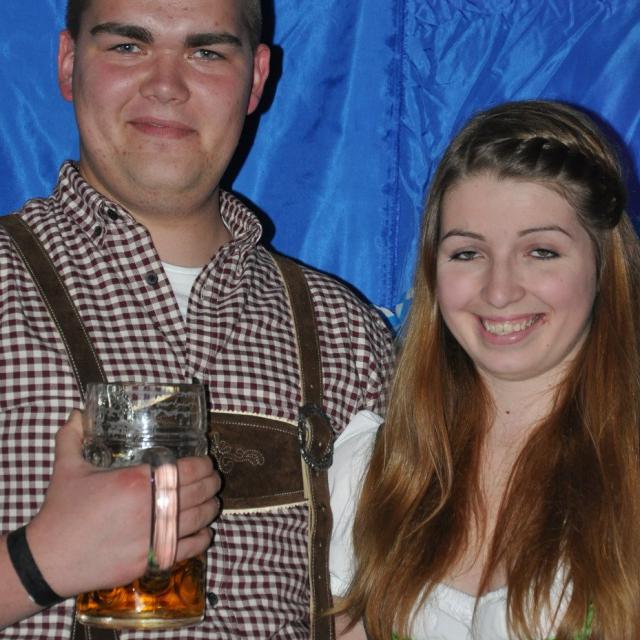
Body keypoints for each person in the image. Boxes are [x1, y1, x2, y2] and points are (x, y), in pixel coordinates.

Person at [0, 0, 394, 638]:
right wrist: (37, 562)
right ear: (69, 63)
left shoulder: (347, 335)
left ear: (256, 79)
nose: (166, 85)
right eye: (128, 46)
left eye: (206, 51)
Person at [331, 100, 640, 639]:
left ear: (601, 265)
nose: (499, 291)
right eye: (467, 253)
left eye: (541, 251)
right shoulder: (374, 473)